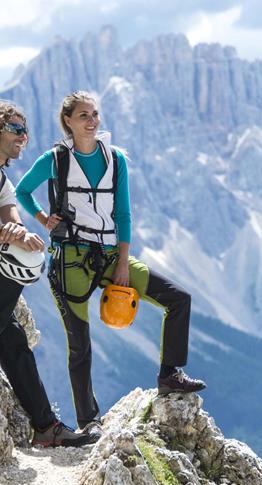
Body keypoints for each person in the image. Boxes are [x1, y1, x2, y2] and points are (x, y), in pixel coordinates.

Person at [16, 91, 206, 443]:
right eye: (84, 115)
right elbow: (22, 191)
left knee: (178, 298)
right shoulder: (55, 159)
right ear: (68, 121)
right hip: (69, 262)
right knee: (80, 345)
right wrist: (43, 219)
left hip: (108, 257)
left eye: (95, 114)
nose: (92, 121)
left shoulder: (115, 159)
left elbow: (123, 214)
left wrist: (122, 262)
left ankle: (169, 374)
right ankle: (90, 422)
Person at [0, 100, 90, 447]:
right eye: (16, 129)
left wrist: (18, 232)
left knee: (13, 338)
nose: (24, 136)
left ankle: (45, 428)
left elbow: (12, 220)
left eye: (26, 130)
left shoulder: (3, 181)